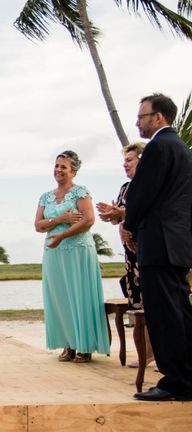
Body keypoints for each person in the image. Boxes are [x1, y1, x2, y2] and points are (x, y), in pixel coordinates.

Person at [123, 93, 192, 402]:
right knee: (180, 312)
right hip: (177, 242)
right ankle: (187, 375)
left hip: (158, 242)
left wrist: (129, 224)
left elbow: (141, 194)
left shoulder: (158, 148)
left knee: (164, 315)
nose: (138, 121)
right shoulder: (183, 150)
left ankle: (175, 382)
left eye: (142, 116)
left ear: (160, 117)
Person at [34, 150, 110, 363]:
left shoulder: (80, 193)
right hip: (53, 252)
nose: (58, 170)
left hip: (77, 250)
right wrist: (61, 219)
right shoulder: (45, 197)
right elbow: (38, 225)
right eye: (57, 166)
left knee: (80, 295)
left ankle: (84, 345)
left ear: (73, 171)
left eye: (63, 167)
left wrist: (63, 234)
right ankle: (68, 343)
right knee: (60, 298)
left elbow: (88, 221)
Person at [96, 142, 155, 368]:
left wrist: (122, 214)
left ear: (143, 161)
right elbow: (119, 217)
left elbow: (148, 213)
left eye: (129, 160)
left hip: (149, 250)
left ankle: (161, 353)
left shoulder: (150, 186)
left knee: (154, 304)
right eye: (124, 161)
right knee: (138, 303)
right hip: (131, 258)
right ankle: (146, 353)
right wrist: (112, 215)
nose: (125, 165)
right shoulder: (125, 188)